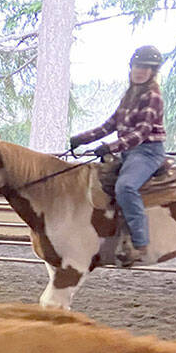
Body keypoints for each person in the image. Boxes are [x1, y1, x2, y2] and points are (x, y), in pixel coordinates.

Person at [68, 45, 167, 264]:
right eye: (137, 66)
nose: (140, 71)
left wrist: (111, 147)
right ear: (131, 68)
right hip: (128, 151)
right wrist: (82, 138)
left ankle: (140, 243)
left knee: (126, 187)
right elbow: (109, 125)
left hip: (147, 152)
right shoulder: (129, 95)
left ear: (153, 72)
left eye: (146, 68)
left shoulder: (152, 96)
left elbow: (141, 132)